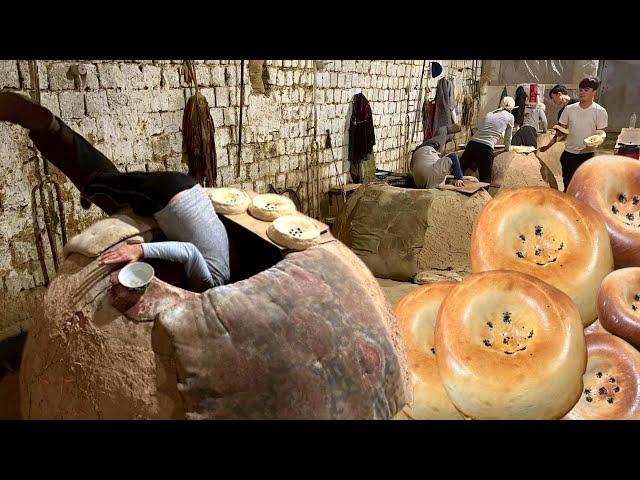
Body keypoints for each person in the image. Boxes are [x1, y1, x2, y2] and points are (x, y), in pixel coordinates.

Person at [0, 91, 230, 293]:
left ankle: (73, 160)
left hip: (187, 189)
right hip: (167, 198)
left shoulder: (226, 270)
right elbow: (189, 251)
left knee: (113, 185)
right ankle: (50, 130)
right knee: (97, 181)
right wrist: (139, 250)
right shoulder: (210, 287)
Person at [555, 77, 608, 190]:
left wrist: (599, 138)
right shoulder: (569, 109)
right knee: (568, 183)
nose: (582, 92)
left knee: (584, 185)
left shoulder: (600, 111)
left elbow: (601, 132)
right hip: (569, 152)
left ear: (594, 92)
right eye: (581, 90)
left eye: (586, 90)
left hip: (588, 153)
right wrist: (560, 133)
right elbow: (562, 129)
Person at [460, 96, 517, 183]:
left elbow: (479, 128)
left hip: (472, 144)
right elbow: (508, 137)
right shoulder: (510, 117)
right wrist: (507, 149)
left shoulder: (490, 114)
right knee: (485, 178)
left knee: (459, 170)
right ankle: (483, 196)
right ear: (511, 108)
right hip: (486, 147)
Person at [411, 124, 464, 188]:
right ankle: (445, 129)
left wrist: (458, 178)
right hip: (415, 158)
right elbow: (453, 156)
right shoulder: (428, 184)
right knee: (441, 138)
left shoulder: (436, 176)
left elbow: (453, 156)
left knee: (440, 138)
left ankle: (444, 129)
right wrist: (458, 178)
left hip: (427, 148)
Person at [539, 84, 579, 153]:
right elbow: (558, 133)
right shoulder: (561, 112)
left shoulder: (578, 103)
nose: (552, 100)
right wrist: (547, 147)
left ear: (559, 94)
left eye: (552, 97)